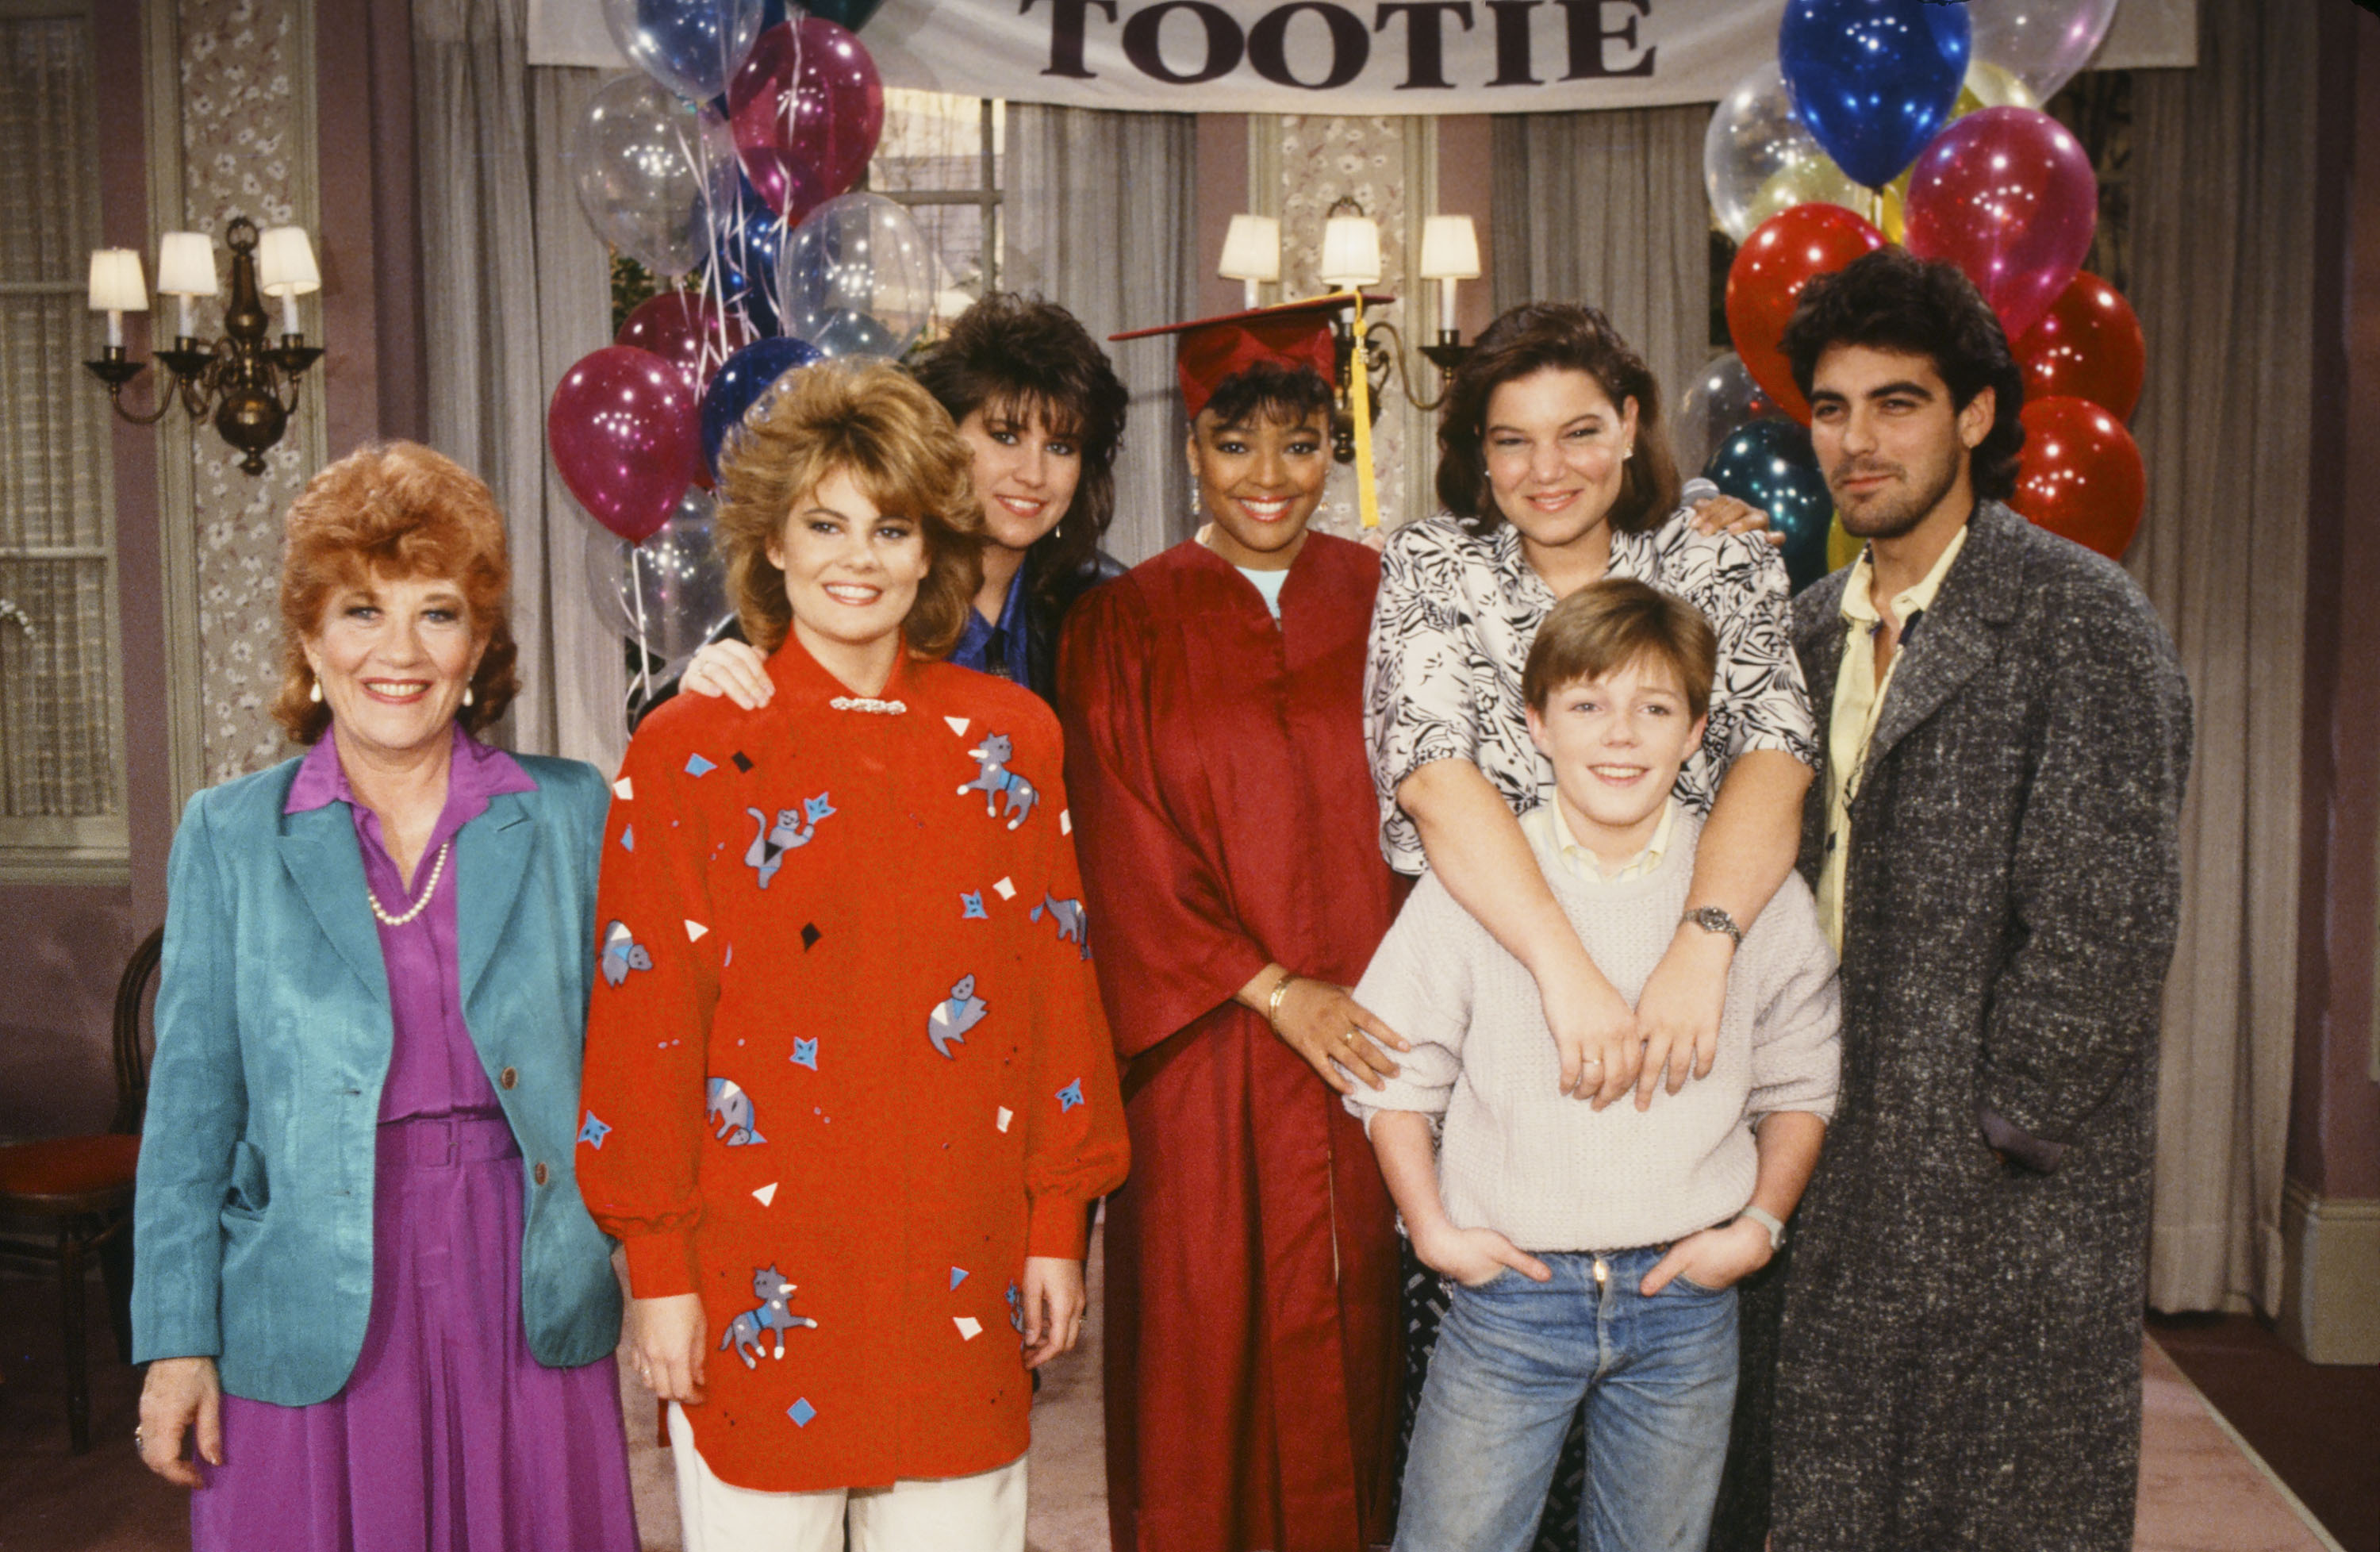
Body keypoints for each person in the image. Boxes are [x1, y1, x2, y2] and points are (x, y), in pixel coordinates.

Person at [575, 359, 1128, 1552]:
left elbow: (1056, 994)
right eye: (825, 524)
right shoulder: (688, 750)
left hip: (962, 1252)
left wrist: (1055, 1225)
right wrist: (657, 1270)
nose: (858, 558)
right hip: (760, 1262)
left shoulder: (1012, 741)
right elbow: (645, 1022)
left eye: (892, 528)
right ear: (771, 543)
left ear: (935, 549)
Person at [1366, 301, 1819, 1548]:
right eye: (1509, 442)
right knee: (1472, 1494)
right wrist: (1565, 971)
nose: (1545, 469)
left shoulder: (1719, 556)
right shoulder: (1434, 565)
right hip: (1508, 1043)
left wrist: (1700, 948)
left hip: (1680, 1057)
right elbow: (1431, 772)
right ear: (1477, 455)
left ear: (1632, 426)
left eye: (1577, 431)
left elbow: (1774, 757)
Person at [130, 443, 639, 1552]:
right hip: (303, 1294)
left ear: (479, 644)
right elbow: (189, 1122)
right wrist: (176, 1345)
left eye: (438, 613)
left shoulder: (570, 815)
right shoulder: (228, 835)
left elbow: (646, 1064)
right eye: (363, 611)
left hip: (525, 1286)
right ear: (311, 638)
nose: (398, 653)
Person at [1766, 247, 2191, 1551]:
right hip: (1822, 1159)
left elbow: (2105, 931)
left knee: (1999, 1518)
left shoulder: (2082, 618)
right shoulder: (1806, 629)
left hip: (2004, 1194)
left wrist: (2001, 1126)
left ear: (1977, 414)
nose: (1857, 442)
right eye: (1832, 408)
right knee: (1830, 1512)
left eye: (1897, 402)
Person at [1060, 295, 1410, 1552]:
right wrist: (1270, 987)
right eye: (1235, 440)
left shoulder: (1396, 603)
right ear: (1188, 449)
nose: (1270, 475)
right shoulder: (1119, 623)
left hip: (1383, 1042)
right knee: (1198, 1352)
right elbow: (1116, 840)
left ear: (1337, 449)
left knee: (1370, 1336)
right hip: (1201, 1050)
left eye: (1302, 441)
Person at [670, 293, 1130, 716]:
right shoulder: (854, 579)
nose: (1033, 474)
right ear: (942, 436)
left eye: (1062, 447)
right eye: (1004, 436)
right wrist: (706, 679)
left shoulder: (1106, 610)